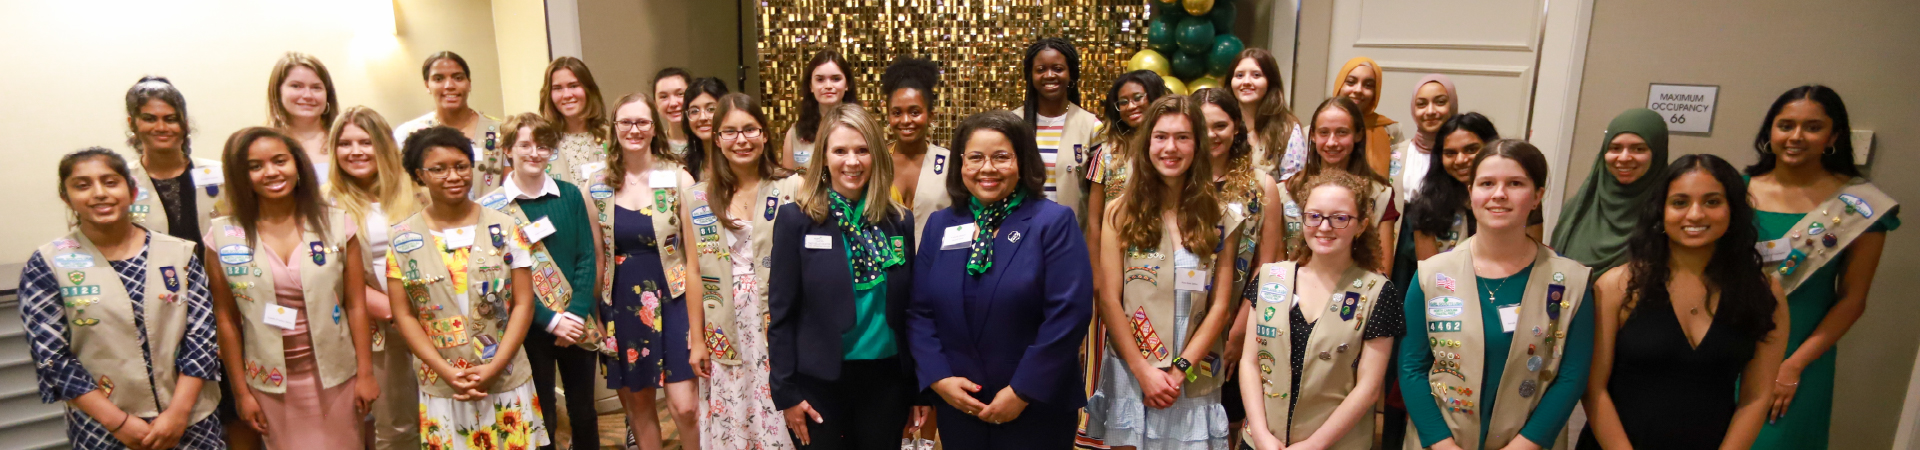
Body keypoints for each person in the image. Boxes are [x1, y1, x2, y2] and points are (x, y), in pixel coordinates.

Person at [909, 110, 1094, 449]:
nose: (987, 169)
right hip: (959, 406)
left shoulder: (1052, 223)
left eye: (1001, 157)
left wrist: (1022, 390)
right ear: (960, 163)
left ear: (1022, 161)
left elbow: (1069, 314)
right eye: (975, 157)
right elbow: (919, 312)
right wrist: (939, 378)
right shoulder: (941, 225)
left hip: (1036, 406)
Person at [1576, 154, 1789, 449]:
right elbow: (1593, 388)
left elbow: (1756, 397)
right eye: (1680, 202)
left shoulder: (1764, 293)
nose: (1695, 215)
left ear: (1733, 210)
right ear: (1660, 211)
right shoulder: (1618, 286)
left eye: (1712, 202)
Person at [24, 148, 226, 449]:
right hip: (103, 427)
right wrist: (118, 422)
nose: (99, 193)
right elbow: (52, 357)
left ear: (131, 191)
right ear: (66, 198)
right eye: (82, 185)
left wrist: (178, 414)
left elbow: (202, 338)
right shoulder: (48, 263)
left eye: (110, 182)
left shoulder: (179, 253)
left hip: (190, 418)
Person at [1398, 139, 1593, 450]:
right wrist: (1440, 443)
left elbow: (1571, 377)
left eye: (1515, 183)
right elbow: (1411, 368)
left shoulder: (1572, 281)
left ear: (1537, 196)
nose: (1499, 194)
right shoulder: (1431, 275)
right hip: (1440, 443)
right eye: (1487, 183)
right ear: (1470, 193)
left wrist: (1526, 445)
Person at [1745, 85, 1899, 450]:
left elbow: (1852, 300)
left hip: (1798, 356)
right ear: (1770, 132)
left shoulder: (1860, 206)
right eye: (1785, 125)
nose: (1796, 136)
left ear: (1833, 136)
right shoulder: (1736, 190)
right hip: (1730, 343)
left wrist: (1794, 366)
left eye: (1812, 127)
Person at [204, 127, 376, 449]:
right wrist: (241, 392)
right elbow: (225, 317)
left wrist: (365, 373)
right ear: (241, 175)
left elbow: (356, 304)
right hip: (271, 385)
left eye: (280, 161)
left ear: (297, 164)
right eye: (255, 166)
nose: (271, 172)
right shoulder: (222, 236)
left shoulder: (336, 224)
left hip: (336, 378)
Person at [1084, 95, 1239, 449]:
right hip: (1132, 368)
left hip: (1191, 371)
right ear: (1147, 144)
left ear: (1198, 145)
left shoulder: (1221, 216)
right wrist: (1143, 371)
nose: (1171, 147)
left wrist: (1178, 370)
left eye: (1183, 137)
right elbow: (1109, 298)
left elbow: (1219, 307)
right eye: (1161, 137)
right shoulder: (1118, 214)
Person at [386, 126, 551, 449]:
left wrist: (495, 366)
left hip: (505, 376)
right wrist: (445, 370)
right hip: (445, 382)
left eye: (461, 166)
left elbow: (523, 303)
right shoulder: (402, 238)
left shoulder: (505, 227)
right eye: (439, 168)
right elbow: (404, 314)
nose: (453, 176)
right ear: (420, 175)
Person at [768, 104, 922, 449]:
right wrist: (786, 392)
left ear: (877, 156)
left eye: (862, 150)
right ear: (824, 157)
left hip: (886, 379)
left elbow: (910, 309)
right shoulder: (798, 220)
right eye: (840, 151)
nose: (852, 161)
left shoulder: (898, 221)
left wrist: (916, 388)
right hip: (819, 379)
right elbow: (781, 314)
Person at [1238, 171, 1400, 450]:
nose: (1324, 227)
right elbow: (1250, 363)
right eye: (1314, 216)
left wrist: (1314, 444)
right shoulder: (1270, 277)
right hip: (1263, 441)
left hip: (1334, 443)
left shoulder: (1378, 292)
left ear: (1360, 225)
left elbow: (1368, 389)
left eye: (1340, 218)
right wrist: (1262, 435)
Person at [478, 113, 607, 450]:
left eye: (543, 146)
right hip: (528, 327)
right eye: (524, 145)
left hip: (576, 321)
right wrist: (551, 321)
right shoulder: (491, 209)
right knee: (541, 413)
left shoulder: (570, 195)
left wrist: (576, 314)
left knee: (583, 411)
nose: (534, 153)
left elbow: (586, 257)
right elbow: (500, 279)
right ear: (507, 149)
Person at [681, 93, 802, 449]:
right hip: (724, 322)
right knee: (734, 415)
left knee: (780, 409)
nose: (741, 140)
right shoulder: (698, 197)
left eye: (750, 129)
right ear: (716, 140)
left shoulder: (791, 187)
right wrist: (697, 339)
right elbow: (693, 269)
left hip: (777, 316)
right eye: (730, 132)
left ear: (764, 134)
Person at [599, 92, 701, 450]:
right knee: (639, 408)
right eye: (625, 122)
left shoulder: (679, 179)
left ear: (654, 128)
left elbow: (695, 255)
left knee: (685, 406)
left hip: (674, 297)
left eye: (642, 122)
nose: (634, 129)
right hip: (623, 302)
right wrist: (595, 315)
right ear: (614, 128)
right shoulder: (597, 186)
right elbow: (599, 258)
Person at [326, 106, 427, 450]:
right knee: (397, 427)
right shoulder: (325, 204)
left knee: (445, 414)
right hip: (378, 328)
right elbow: (327, 277)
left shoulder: (416, 190)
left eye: (366, 142)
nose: (355, 151)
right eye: (345, 143)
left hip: (432, 319)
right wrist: (391, 310)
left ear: (384, 145)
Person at [1193, 87, 1285, 449]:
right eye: (1201, 126)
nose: (1211, 135)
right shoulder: (1177, 182)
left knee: (1227, 418)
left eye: (1220, 125)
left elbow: (1268, 264)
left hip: (1237, 320)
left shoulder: (1263, 186)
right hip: (1181, 320)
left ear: (1235, 129)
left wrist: (1239, 330)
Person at [1280, 98, 1398, 272]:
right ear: (1312, 135)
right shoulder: (1286, 191)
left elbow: (1382, 267)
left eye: (1342, 132)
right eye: (1324, 132)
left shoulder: (1380, 194)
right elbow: (1275, 262)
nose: (1332, 142)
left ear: (1358, 135)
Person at [1551, 109, 1670, 272]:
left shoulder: (1668, 213)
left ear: (1657, 154)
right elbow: (1555, 276)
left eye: (1639, 149)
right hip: (1568, 298)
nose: (1624, 158)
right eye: (1615, 148)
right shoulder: (1577, 208)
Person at [1012, 37, 1102, 223]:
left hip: (1071, 236)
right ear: (1030, 75)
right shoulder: (1012, 124)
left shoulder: (1091, 126)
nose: (1050, 75)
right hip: (1019, 235)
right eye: (1041, 69)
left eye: (1058, 69)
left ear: (1071, 74)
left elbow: (1099, 195)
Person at [1086, 70, 1172, 265]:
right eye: (1123, 102)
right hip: (1117, 255)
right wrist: (1096, 273)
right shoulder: (1107, 153)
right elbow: (1093, 221)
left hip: (1165, 252)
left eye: (1138, 97)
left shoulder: (1173, 150)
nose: (1131, 106)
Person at [393, 51, 506, 192]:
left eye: (458, 78)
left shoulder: (498, 131)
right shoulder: (409, 134)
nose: (449, 85)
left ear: (469, 83)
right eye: (439, 79)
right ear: (427, 85)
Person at [881, 57, 949, 245]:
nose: (905, 120)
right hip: (885, 269)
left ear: (930, 116)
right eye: (897, 113)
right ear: (888, 116)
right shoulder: (876, 163)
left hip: (936, 266)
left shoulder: (950, 164)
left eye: (914, 112)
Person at [1230, 49, 1308, 180]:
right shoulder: (1222, 127)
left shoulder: (1287, 130)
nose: (1246, 82)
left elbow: (1293, 187)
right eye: (1239, 75)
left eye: (1256, 75)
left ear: (1270, 81)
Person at [266, 52, 341, 183]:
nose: (307, 95)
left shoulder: (345, 141)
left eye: (316, 87)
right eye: (296, 86)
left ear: (327, 95)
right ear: (278, 92)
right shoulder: (264, 144)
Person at [540, 56, 612, 188]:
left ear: (589, 90)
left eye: (573, 86)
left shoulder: (613, 138)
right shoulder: (541, 142)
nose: (566, 95)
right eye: (557, 88)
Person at [784, 50, 860, 171]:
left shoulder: (863, 129)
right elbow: (788, 184)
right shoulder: (795, 134)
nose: (828, 86)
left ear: (847, 84)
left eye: (836, 79)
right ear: (810, 86)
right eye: (820, 80)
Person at [1331, 57, 1402, 176]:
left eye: (1368, 85)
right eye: (1351, 82)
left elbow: (1396, 176)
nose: (1358, 90)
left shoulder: (1390, 131)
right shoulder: (1318, 129)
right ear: (1339, 85)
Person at [1395, 75, 1459, 202]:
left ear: (1452, 105)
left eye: (1440, 102)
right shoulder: (1397, 154)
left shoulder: (1465, 154)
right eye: (1421, 104)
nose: (1430, 111)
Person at [680, 77, 731, 181]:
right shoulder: (686, 166)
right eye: (694, 111)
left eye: (711, 109)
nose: (702, 117)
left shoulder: (740, 159)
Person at [654, 67, 694, 158]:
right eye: (664, 97)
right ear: (655, 104)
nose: (673, 103)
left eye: (680, 94)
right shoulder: (651, 145)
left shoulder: (706, 141)